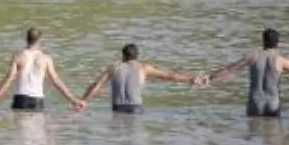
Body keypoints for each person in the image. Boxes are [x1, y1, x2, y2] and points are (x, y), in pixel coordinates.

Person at [207, 28, 289, 117]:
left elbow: (229, 69)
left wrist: (208, 78)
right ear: (277, 43)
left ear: (263, 41)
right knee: (273, 135)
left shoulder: (252, 57)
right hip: (273, 104)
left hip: (255, 104)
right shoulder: (282, 61)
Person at [80, 43, 208, 113]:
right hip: (136, 108)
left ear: (123, 56)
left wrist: (83, 100)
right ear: (137, 56)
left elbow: (97, 85)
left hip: (117, 108)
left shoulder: (114, 67)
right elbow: (170, 76)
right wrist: (192, 79)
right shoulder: (144, 68)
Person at [0, 28, 85, 111]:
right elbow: (56, 81)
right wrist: (74, 100)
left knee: (21, 132)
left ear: (27, 39)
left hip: (20, 99)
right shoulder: (46, 58)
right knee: (37, 133)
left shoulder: (18, 56)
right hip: (37, 100)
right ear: (40, 40)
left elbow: (9, 79)